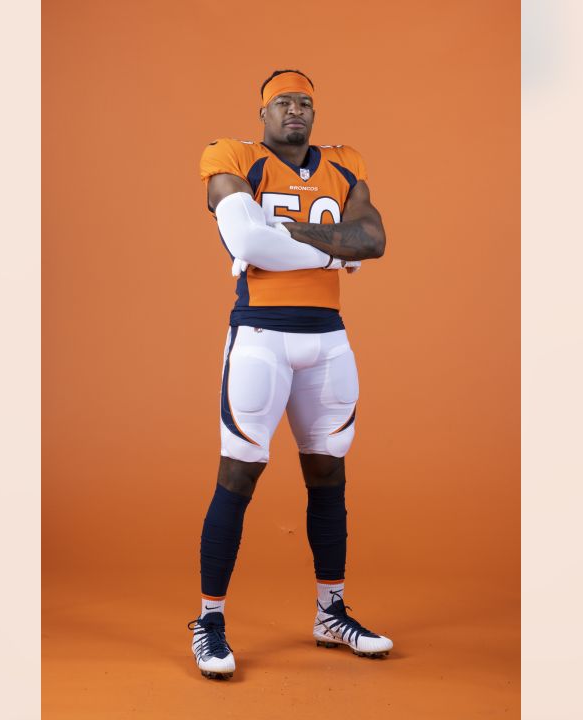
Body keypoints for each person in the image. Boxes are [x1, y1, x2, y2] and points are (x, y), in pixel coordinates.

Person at [187, 69, 392, 681]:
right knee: (239, 472)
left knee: (329, 470)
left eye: (305, 101)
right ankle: (209, 622)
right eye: (283, 102)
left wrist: (285, 235)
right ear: (263, 112)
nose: (295, 110)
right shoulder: (232, 156)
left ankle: (331, 612)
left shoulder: (344, 163)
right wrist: (335, 249)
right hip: (260, 336)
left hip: (327, 338)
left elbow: (375, 238)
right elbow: (248, 235)